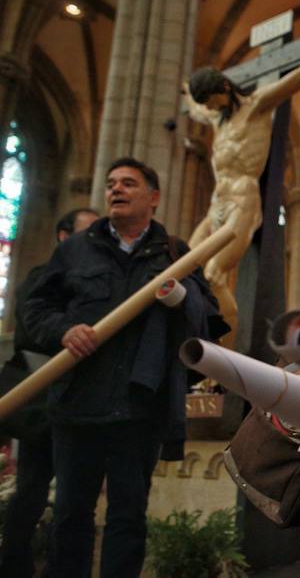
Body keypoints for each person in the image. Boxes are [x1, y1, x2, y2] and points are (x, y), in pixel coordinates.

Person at [22, 158, 224, 578]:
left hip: (138, 409)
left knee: (128, 520)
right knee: (70, 518)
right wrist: (63, 330)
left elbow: (210, 317)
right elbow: (35, 309)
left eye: (129, 184)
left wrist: (179, 297)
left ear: (153, 198)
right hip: (79, 405)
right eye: (112, 183)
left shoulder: (174, 253)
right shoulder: (75, 250)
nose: (116, 189)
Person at [183, 5, 300, 344]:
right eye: (208, 105)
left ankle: (224, 359)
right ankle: (195, 348)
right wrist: (186, 89)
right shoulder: (215, 118)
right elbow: (193, 108)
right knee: (184, 269)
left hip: (242, 200)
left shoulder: (257, 104)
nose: (211, 109)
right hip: (217, 204)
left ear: (225, 89)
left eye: (213, 101)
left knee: (214, 274)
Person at [0, 208, 98, 578]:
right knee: (31, 491)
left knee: (76, 502)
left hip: (80, 399)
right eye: (87, 232)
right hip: (44, 400)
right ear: (62, 236)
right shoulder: (45, 277)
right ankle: (14, 568)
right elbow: (32, 328)